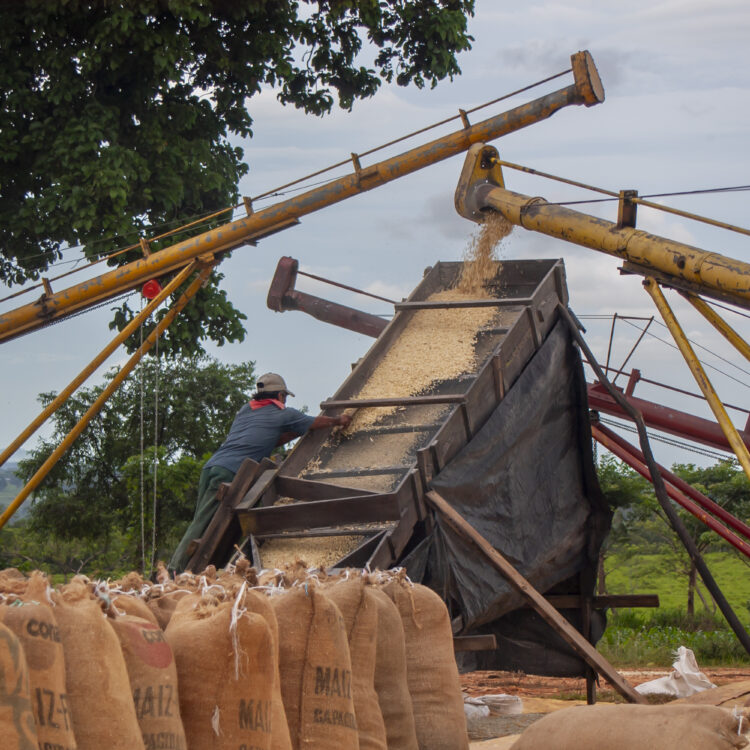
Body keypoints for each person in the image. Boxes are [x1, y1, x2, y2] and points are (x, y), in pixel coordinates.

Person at [169, 372, 351, 572]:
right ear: (281, 396)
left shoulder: (246, 410)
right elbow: (316, 422)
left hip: (212, 468)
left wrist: (297, 432)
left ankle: (204, 568)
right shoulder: (284, 414)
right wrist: (339, 420)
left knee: (202, 521)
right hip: (231, 472)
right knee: (204, 525)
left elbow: (272, 437)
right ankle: (175, 571)